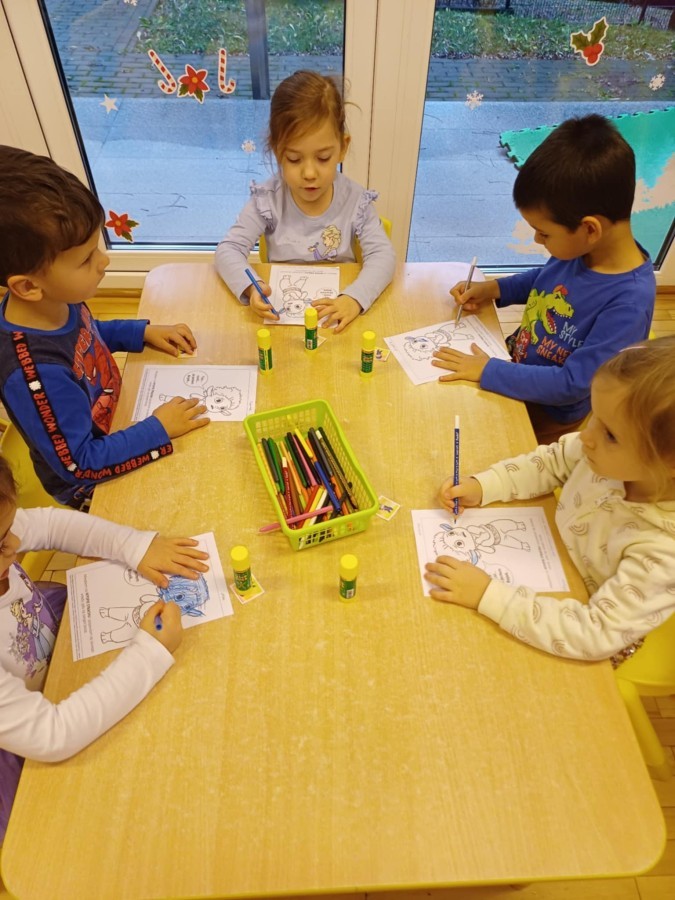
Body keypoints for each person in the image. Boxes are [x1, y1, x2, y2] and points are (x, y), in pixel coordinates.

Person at [425, 336, 675, 665]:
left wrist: (488, 595)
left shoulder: (662, 551)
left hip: (585, 631)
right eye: (594, 416)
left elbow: (596, 634)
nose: (586, 436)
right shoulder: (603, 453)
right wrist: (484, 485)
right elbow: (552, 462)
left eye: (611, 434)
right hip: (550, 561)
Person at [0, 454, 210, 842]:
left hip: (47, 660)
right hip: (20, 743)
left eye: (9, 530)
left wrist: (134, 546)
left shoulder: (5, 535)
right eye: (0, 544)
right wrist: (150, 652)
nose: (14, 544)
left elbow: (50, 524)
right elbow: (53, 735)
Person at [0, 145, 210, 510]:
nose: (104, 261)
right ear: (29, 286)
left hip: (120, 420)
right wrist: (158, 429)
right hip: (92, 486)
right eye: (86, 259)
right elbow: (80, 466)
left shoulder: (53, 300)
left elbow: (86, 333)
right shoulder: (35, 373)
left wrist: (138, 333)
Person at [434, 114, 655, 444]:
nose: (538, 240)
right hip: (513, 363)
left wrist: (489, 370)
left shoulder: (629, 304)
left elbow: (571, 384)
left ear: (589, 228)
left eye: (544, 233)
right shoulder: (582, 249)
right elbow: (546, 279)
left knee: (498, 449)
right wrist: (495, 288)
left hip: (546, 412)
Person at [215, 70, 395, 333]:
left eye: (323, 158)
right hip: (282, 316)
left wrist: (354, 299)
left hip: (337, 316)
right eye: (294, 159)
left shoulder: (356, 201)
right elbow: (228, 250)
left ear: (343, 148)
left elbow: (383, 256)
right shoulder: (268, 199)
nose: (309, 173)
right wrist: (252, 286)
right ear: (278, 152)